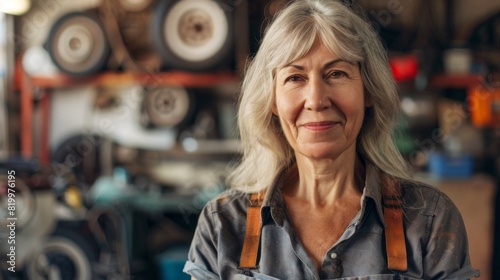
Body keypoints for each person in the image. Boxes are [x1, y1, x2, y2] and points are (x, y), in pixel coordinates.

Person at [183, 0, 480, 279]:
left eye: (336, 73)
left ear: (368, 92)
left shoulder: (429, 219)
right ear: (272, 100)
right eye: (295, 78)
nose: (316, 100)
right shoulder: (222, 226)